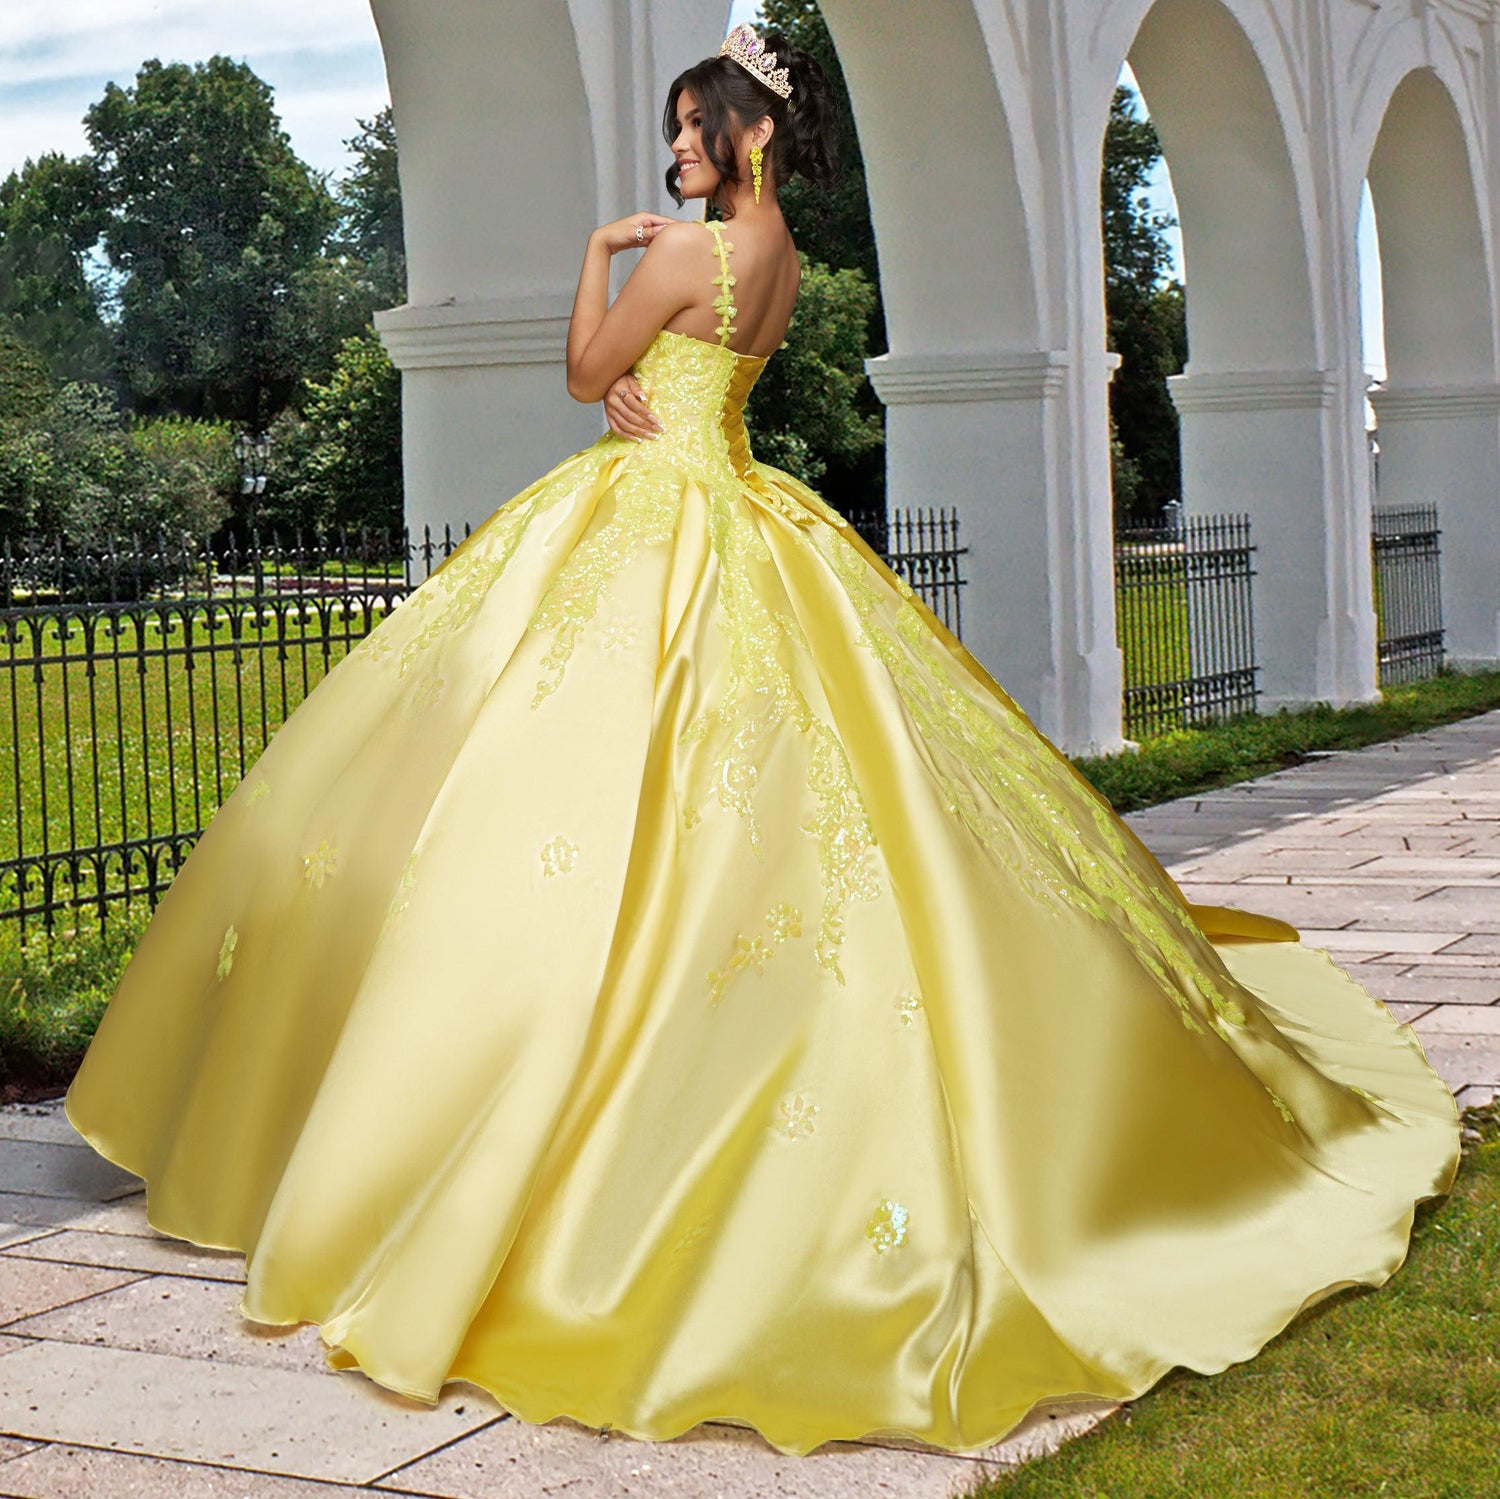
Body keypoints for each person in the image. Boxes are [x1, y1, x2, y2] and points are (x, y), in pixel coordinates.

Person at [64, 22, 1461, 1461]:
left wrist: (604, 260)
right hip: (741, 506)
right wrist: (645, 359)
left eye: (691, 129)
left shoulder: (675, 255)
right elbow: (688, 378)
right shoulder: (779, 258)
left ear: (743, 133)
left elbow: (583, 375)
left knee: (562, 791)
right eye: (671, 129)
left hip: (653, 518)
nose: (673, 151)